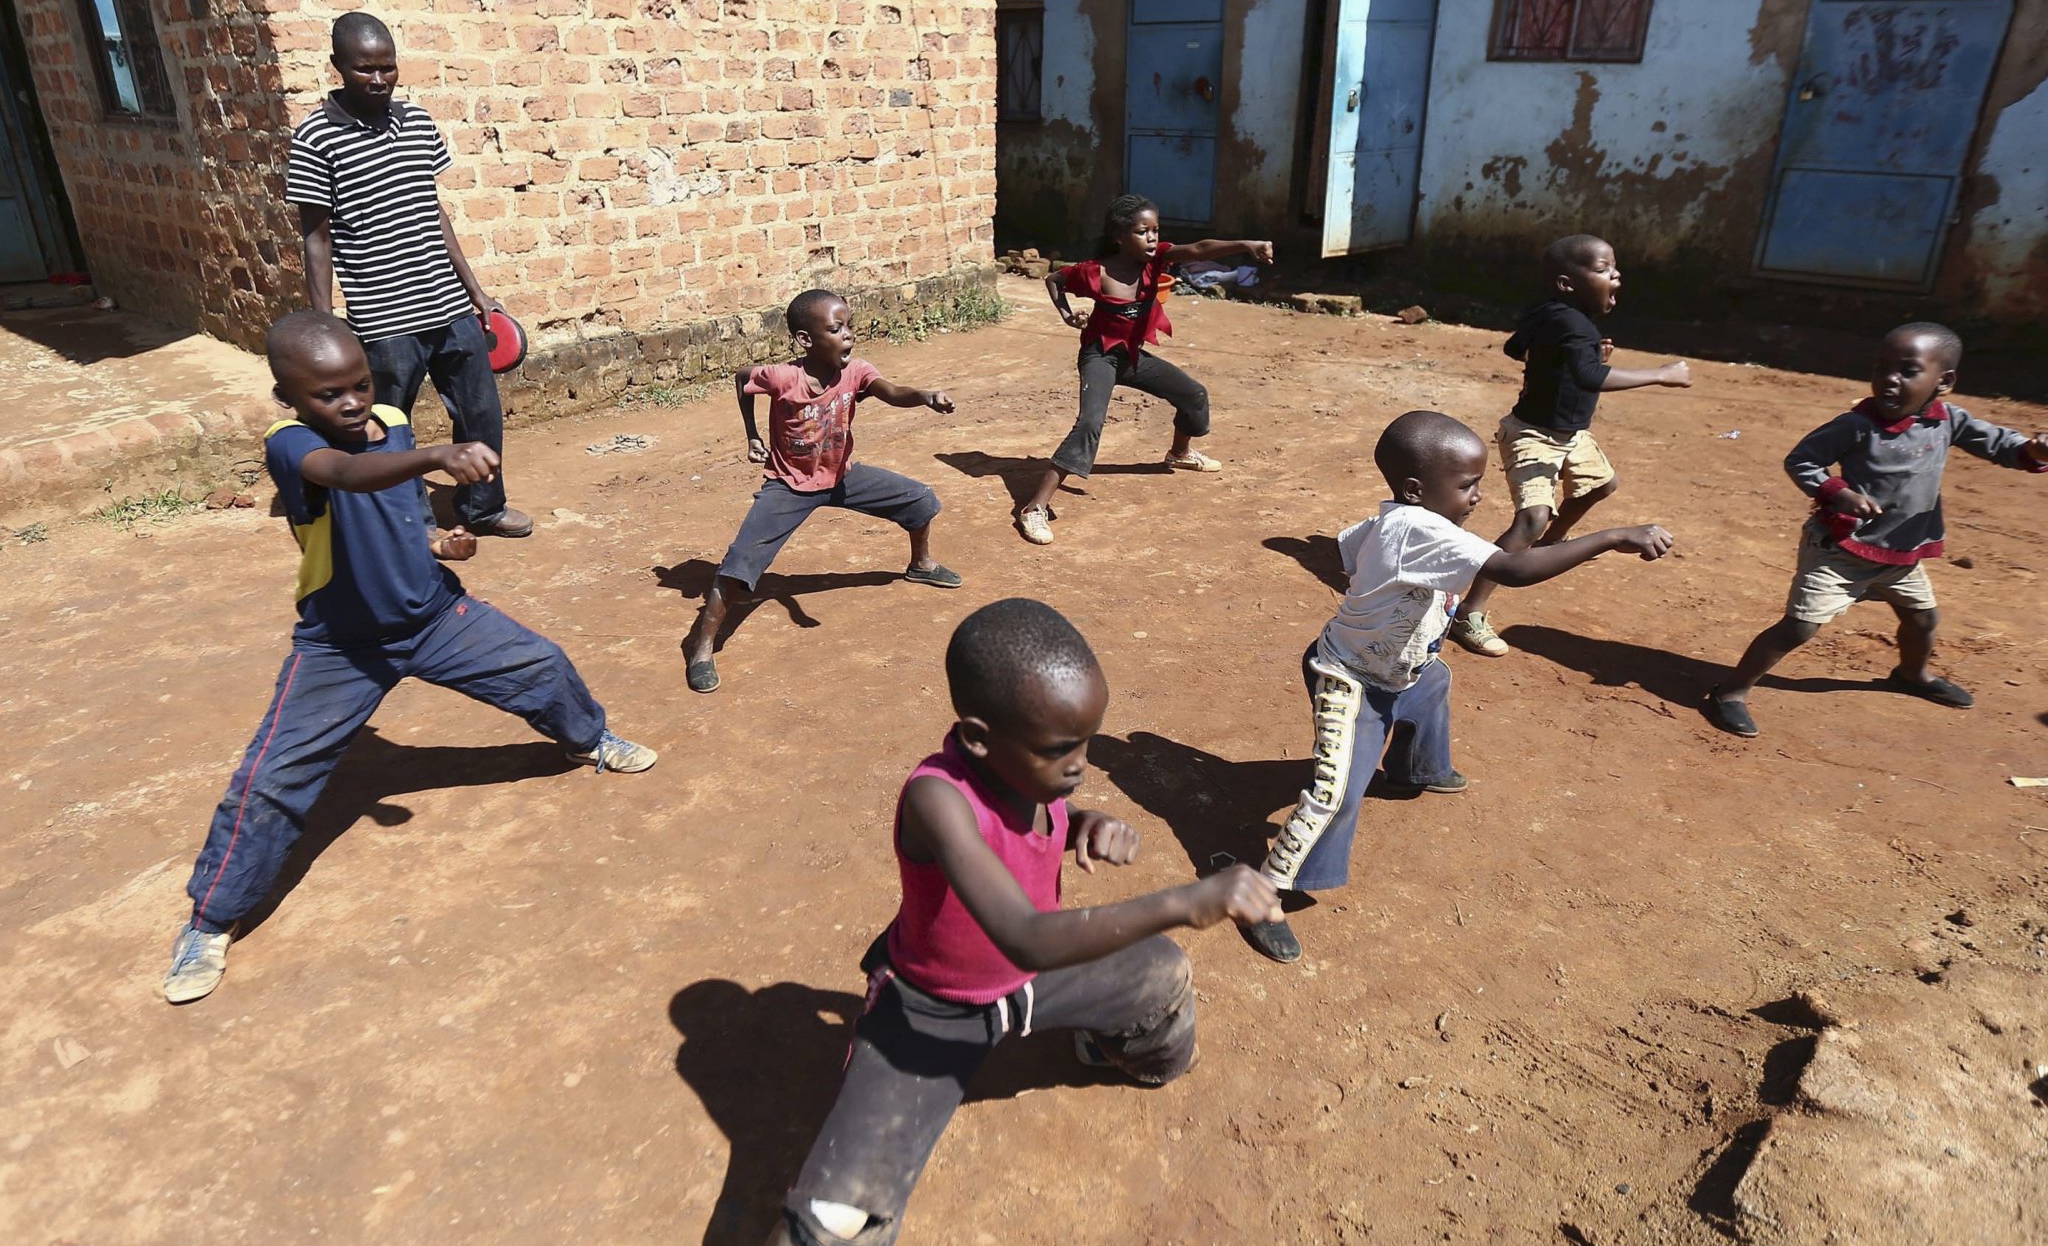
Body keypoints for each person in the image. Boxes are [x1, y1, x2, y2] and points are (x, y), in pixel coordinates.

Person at [713, 598, 1284, 1246]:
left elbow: (1042, 817)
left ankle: (1109, 1045)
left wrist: (1082, 819)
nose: (1081, 762)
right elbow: (1023, 934)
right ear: (978, 738)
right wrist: (1183, 898)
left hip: (1030, 984)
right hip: (932, 1013)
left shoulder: (1033, 770)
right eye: (1063, 751)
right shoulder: (937, 799)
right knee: (834, 1209)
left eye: (1087, 744)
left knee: (1160, 978)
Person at [159, 313, 656, 1005]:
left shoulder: (392, 419)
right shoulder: (290, 444)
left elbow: (403, 509)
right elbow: (349, 475)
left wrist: (438, 542)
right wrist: (437, 458)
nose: (353, 401)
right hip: (343, 643)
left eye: (359, 382)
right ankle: (210, 920)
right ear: (289, 397)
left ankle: (587, 740)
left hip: (433, 614)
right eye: (329, 393)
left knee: (542, 667)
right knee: (271, 778)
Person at [1253, 411, 1673, 964]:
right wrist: (1612, 534)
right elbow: (1513, 571)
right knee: (1333, 794)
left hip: (1403, 669)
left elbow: (1349, 547)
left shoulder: (1400, 522)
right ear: (1415, 489)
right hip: (1350, 680)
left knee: (1433, 687)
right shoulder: (1418, 529)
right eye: (1468, 484)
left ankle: (1414, 772)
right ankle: (1262, 896)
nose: (1478, 496)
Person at [1702, 323, 2048, 738]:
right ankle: (1730, 692)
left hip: (1901, 553)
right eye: (1881, 368)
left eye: (1908, 371)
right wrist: (1837, 493)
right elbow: (1802, 460)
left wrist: (2035, 451)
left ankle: (1911, 674)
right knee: (1799, 627)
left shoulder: (1949, 420)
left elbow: (2002, 445)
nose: (1889, 380)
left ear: (1943, 382)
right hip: (1841, 551)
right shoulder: (1857, 424)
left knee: (1923, 620)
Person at [287, 11, 533, 539]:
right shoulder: (314, 137)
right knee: (389, 427)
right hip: (383, 314)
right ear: (337, 67)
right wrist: (325, 324)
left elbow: (434, 210)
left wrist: (477, 291)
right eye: (364, 69)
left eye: (387, 68)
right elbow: (316, 239)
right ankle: (410, 524)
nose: (378, 79)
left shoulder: (417, 121)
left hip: (447, 304)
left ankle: (483, 508)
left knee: (481, 414)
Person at [681, 288, 961, 693]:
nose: (847, 335)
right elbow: (743, 379)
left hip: (841, 477)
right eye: (836, 328)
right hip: (790, 485)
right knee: (740, 563)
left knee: (920, 499)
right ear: (805, 340)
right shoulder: (783, 377)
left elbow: (891, 391)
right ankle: (701, 647)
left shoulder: (856, 371)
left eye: (849, 326)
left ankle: (921, 565)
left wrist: (924, 396)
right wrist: (751, 435)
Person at [1448, 233, 1690, 657]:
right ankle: (1470, 612)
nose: (1615, 274)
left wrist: (1578, 355)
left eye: (1614, 267)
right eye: (1602, 269)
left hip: (1570, 433)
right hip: (1532, 435)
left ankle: (1551, 545)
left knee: (1601, 485)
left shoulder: (1550, 314)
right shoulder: (1575, 326)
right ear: (1567, 283)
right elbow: (1591, 379)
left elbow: (1515, 347)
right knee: (1531, 518)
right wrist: (1661, 374)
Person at [1012, 194, 1274, 546]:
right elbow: (1054, 281)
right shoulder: (1094, 272)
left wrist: (1246, 244)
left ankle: (1179, 453)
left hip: (1132, 357)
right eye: (1142, 231)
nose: (1152, 238)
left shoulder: (1157, 260)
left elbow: (1200, 248)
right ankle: (1034, 508)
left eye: (1155, 230)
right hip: (1099, 356)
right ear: (1119, 236)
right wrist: (1068, 315)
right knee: (1090, 422)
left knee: (1193, 395)